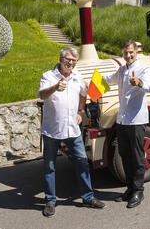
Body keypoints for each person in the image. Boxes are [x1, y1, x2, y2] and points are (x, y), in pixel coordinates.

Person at [38, 47, 105, 217]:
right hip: (52, 130)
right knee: (49, 166)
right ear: (61, 59)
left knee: (82, 162)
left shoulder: (77, 76)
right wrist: (55, 87)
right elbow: (42, 95)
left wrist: (81, 111)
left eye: (74, 61)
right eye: (68, 60)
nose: (71, 63)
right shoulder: (48, 76)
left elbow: (83, 93)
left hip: (73, 129)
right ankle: (50, 201)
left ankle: (88, 197)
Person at [104, 40, 150, 208]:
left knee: (138, 157)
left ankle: (138, 191)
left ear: (136, 52)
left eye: (131, 52)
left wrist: (139, 83)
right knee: (125, 155)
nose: (128, 55)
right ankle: (130, 188)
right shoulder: (122, 69)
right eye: (125, 52)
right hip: (122, 120)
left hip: (137, 120)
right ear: (122, 53)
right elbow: (107, 80)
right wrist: (88, 82)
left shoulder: (143, 69)